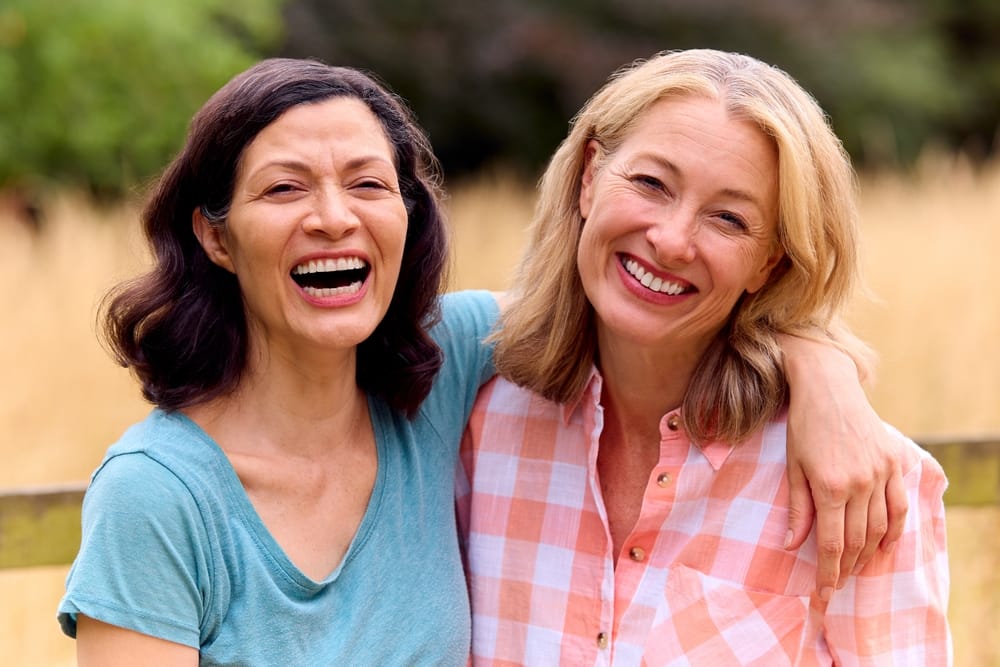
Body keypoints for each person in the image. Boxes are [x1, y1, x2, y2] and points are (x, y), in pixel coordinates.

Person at [59, 57, 904, 665]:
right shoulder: (158, 495)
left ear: (405, 216)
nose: (332, 218)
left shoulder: (438, 372)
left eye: (367, 184)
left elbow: (645, 302)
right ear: (215, 234)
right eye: (283, 189)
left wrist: (821, 369)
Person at [458, 49, 950, 665]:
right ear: (589, 178)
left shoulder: (863, 487)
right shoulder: (472, 425)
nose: (670, 241)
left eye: (728, 219)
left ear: (770, 260)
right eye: (650, 183)